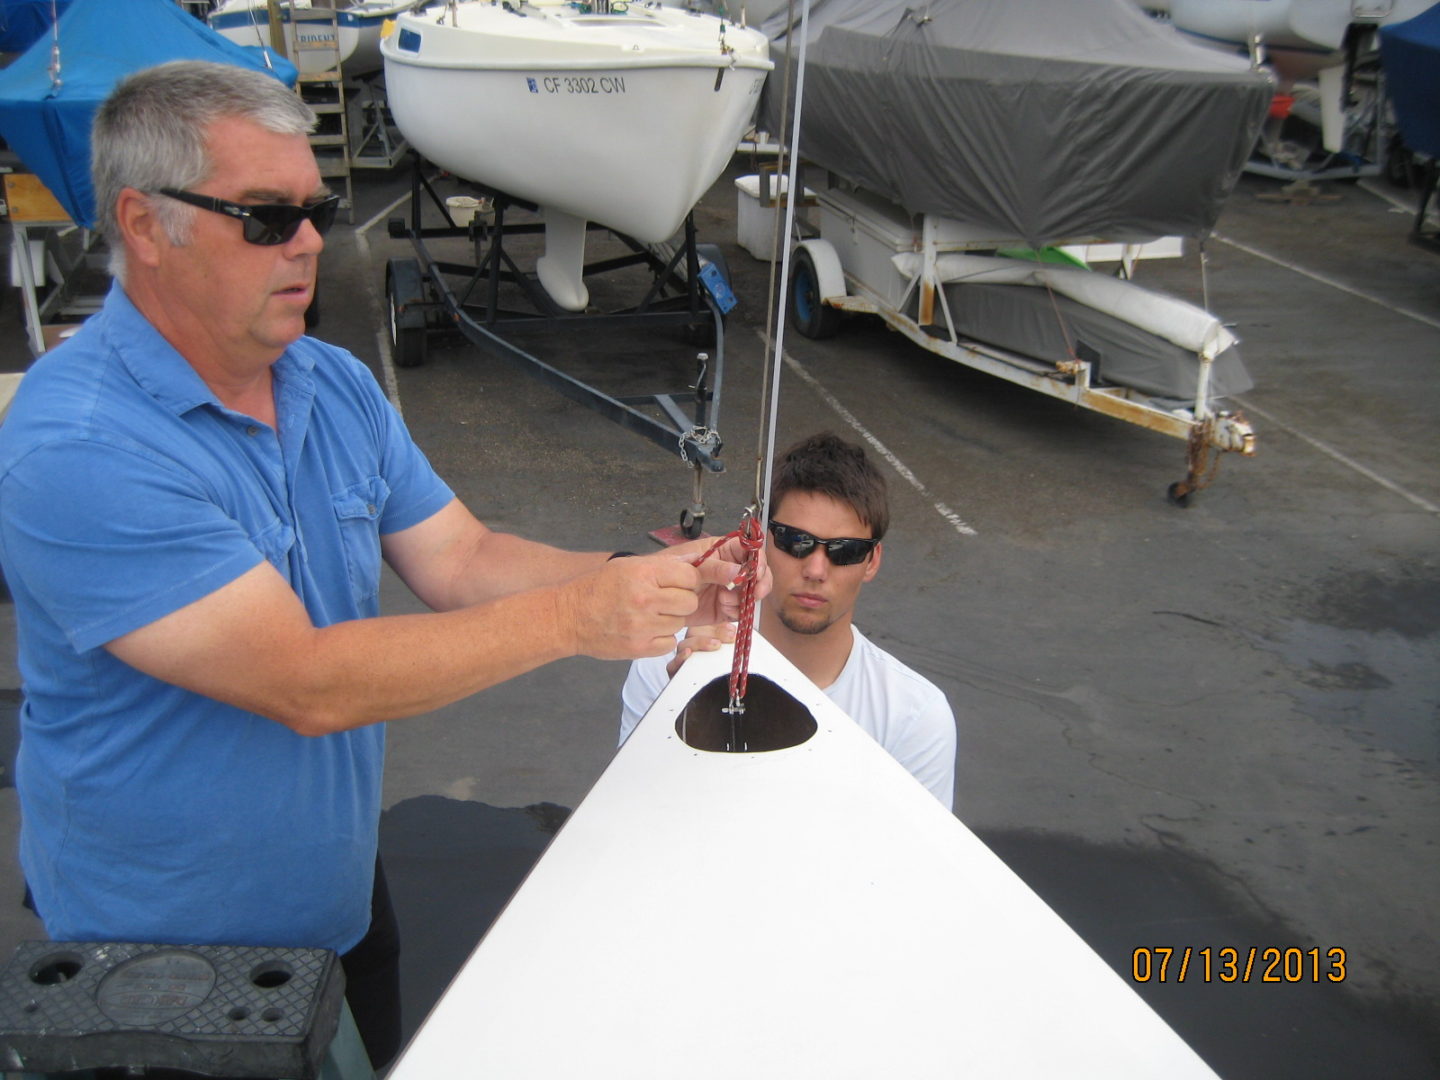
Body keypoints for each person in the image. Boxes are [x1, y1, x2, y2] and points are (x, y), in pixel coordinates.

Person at [0, 60, 765, 1069]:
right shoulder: (81, 443)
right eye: (267, 219)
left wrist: (648, 574)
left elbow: (462, 556)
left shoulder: (332, 383)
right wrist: (579, 618)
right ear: (145, 225)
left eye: (314, 210)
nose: (312, 240)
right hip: (161, 952)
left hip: (337, 897)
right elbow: (304, 681)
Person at [620, 432, 956, 809]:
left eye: (845, 551)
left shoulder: (913, 716)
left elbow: (909, 859)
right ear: (758, 540)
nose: (815, 569)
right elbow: (631, 815)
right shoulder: (669, 661)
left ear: (872, 561)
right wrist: (686, 711)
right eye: (795, 541)